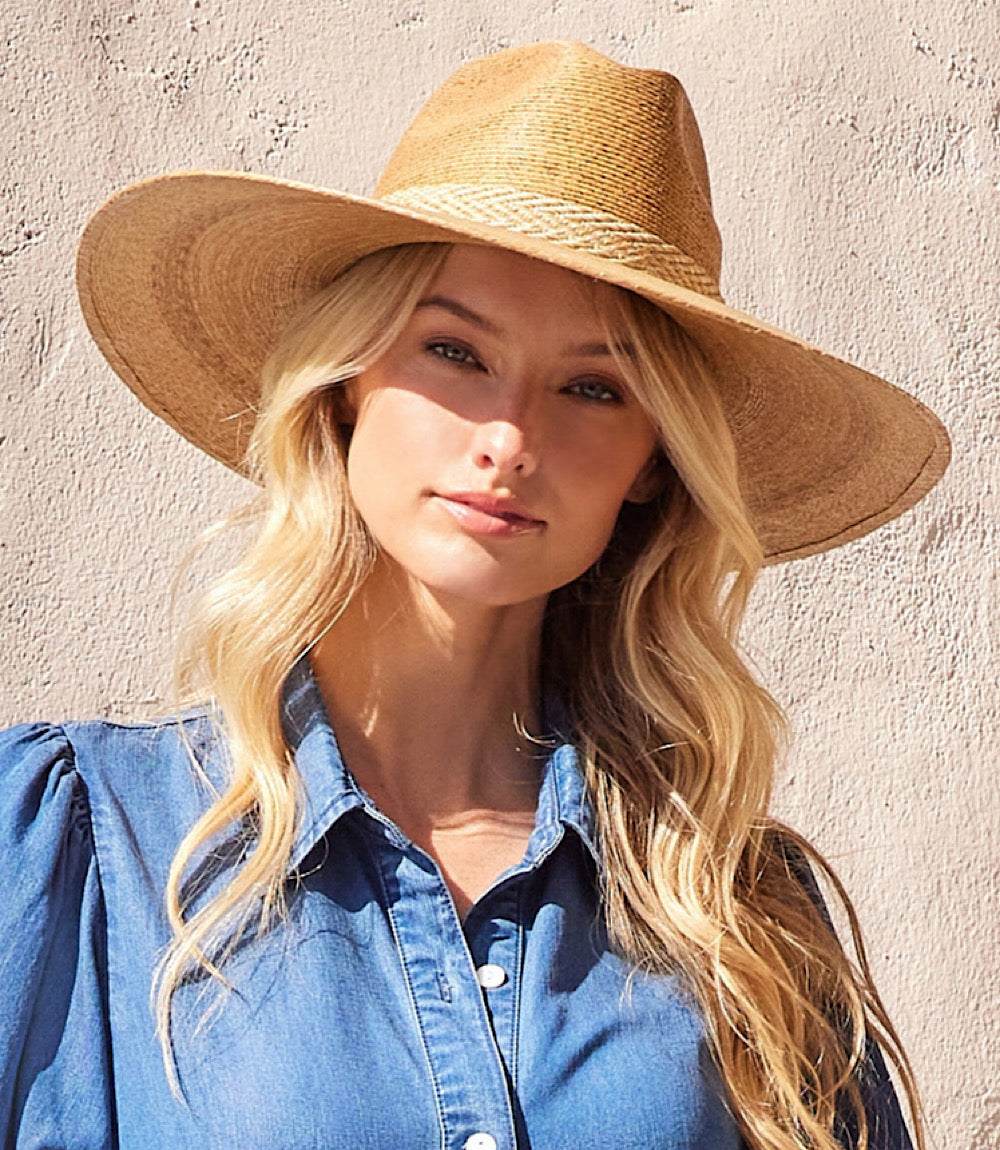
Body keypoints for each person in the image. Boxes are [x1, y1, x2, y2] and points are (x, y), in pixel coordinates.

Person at [0, 39, 948, 1150]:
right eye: (453, 350)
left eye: (593, 386)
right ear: (348, 385)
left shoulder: (732, 906)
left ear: (650, 461)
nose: (508, 439)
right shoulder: (85, 841)